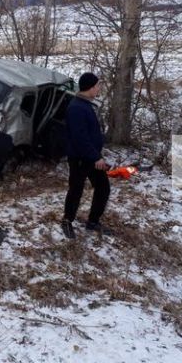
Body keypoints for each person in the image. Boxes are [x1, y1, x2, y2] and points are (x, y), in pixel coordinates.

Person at [61, 72, 112, 239]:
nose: (99, 89)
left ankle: (93, 221)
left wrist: (96, 155)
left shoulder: (85, 104)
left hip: (91, 156)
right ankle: (67, 221)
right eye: (97, 86)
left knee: (103, 188)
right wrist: (95, 157)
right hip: (80, 158)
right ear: (90, 88)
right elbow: (79, 138)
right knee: (76, 189)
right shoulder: (77, 108)